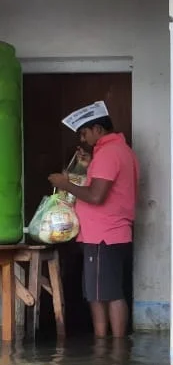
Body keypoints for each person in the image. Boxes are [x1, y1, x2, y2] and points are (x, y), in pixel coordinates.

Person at [50, 100, 139, 339]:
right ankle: (112, 349)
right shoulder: (121, 151)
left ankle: (106, 349)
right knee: (105, 292)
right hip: (112, 234)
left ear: (98, 130)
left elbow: (96, 196)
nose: (82, 139)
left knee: (102, 295)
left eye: (84, 133)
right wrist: (89, 167)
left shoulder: (109, 153)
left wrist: (65, 183)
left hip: (103, 236)